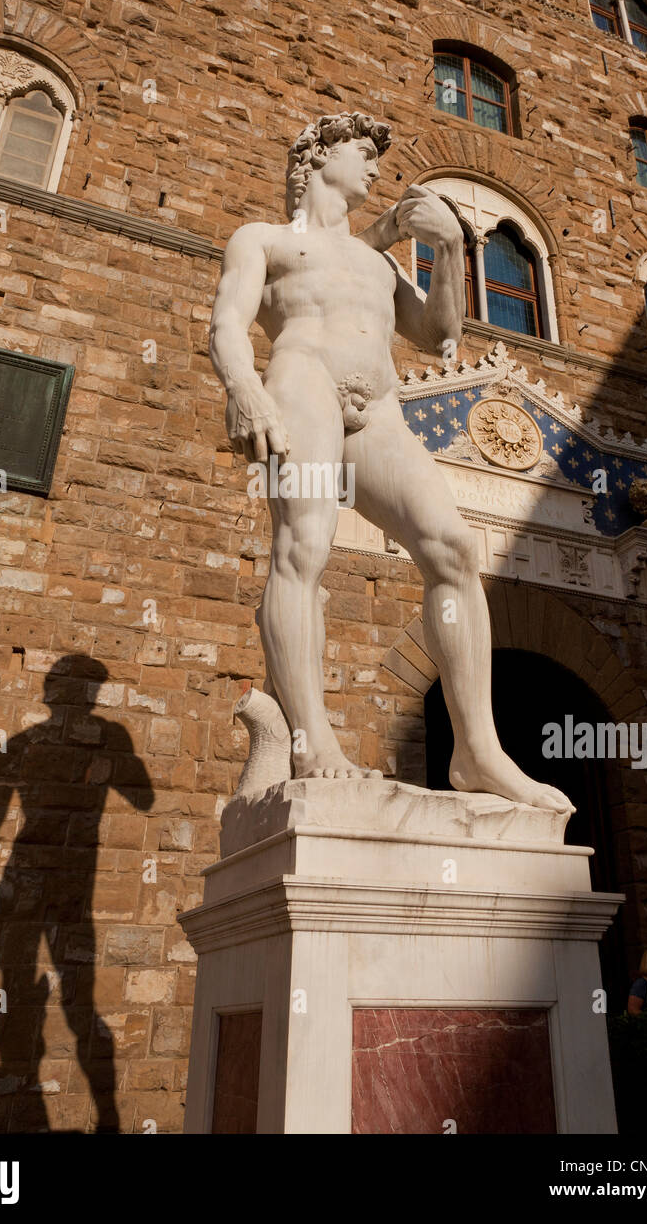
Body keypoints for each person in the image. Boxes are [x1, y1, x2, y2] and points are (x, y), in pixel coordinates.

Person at [209, 111, 572, 812]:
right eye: (361, 152)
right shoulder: (264, 239)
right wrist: (245, 387)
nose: (375, 168)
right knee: (304, 546)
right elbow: (227, 321)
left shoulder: (379, 261)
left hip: (378, 407)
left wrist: (446, 250)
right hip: (303, 381)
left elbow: (437, 330)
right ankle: (312, 742)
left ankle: (477, 751)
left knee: (455, 549)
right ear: (316, 158)